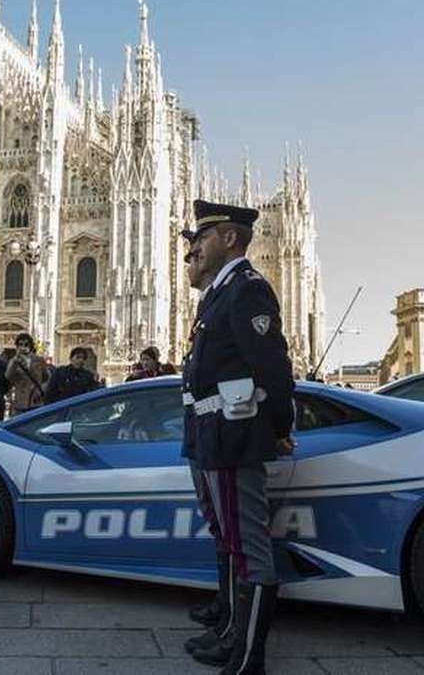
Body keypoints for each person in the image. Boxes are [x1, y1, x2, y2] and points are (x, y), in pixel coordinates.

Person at [180, 199, 294, 673]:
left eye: (202, 238)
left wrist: (279, 428)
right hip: (214, 431)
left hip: (234, 433)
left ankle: (249, 658)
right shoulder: (219, 295)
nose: (195, 248)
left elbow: (273, 368)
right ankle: (232, 637)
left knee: (249, 546)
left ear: (229, 238)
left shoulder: (247, 290)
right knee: (231, 538)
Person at [178, 239, 235, 651]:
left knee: (239, 539)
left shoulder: (242, 293)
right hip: (203, 435)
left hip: (226, 436)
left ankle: (242, 644)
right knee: (220, 528)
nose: (189, 263)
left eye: (196, 255)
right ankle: (225, 612)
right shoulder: (209, 303)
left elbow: (266, 368)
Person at [6, 333, 50, 415]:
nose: (23, 347)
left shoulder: (39, 360)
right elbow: (7, 376)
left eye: (26, 344)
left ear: (30, 346)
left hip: (36, 400)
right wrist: (13, 362)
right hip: (20, 402)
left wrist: (42, 390)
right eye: (20, 344)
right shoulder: (14, 361)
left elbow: (47, 378)